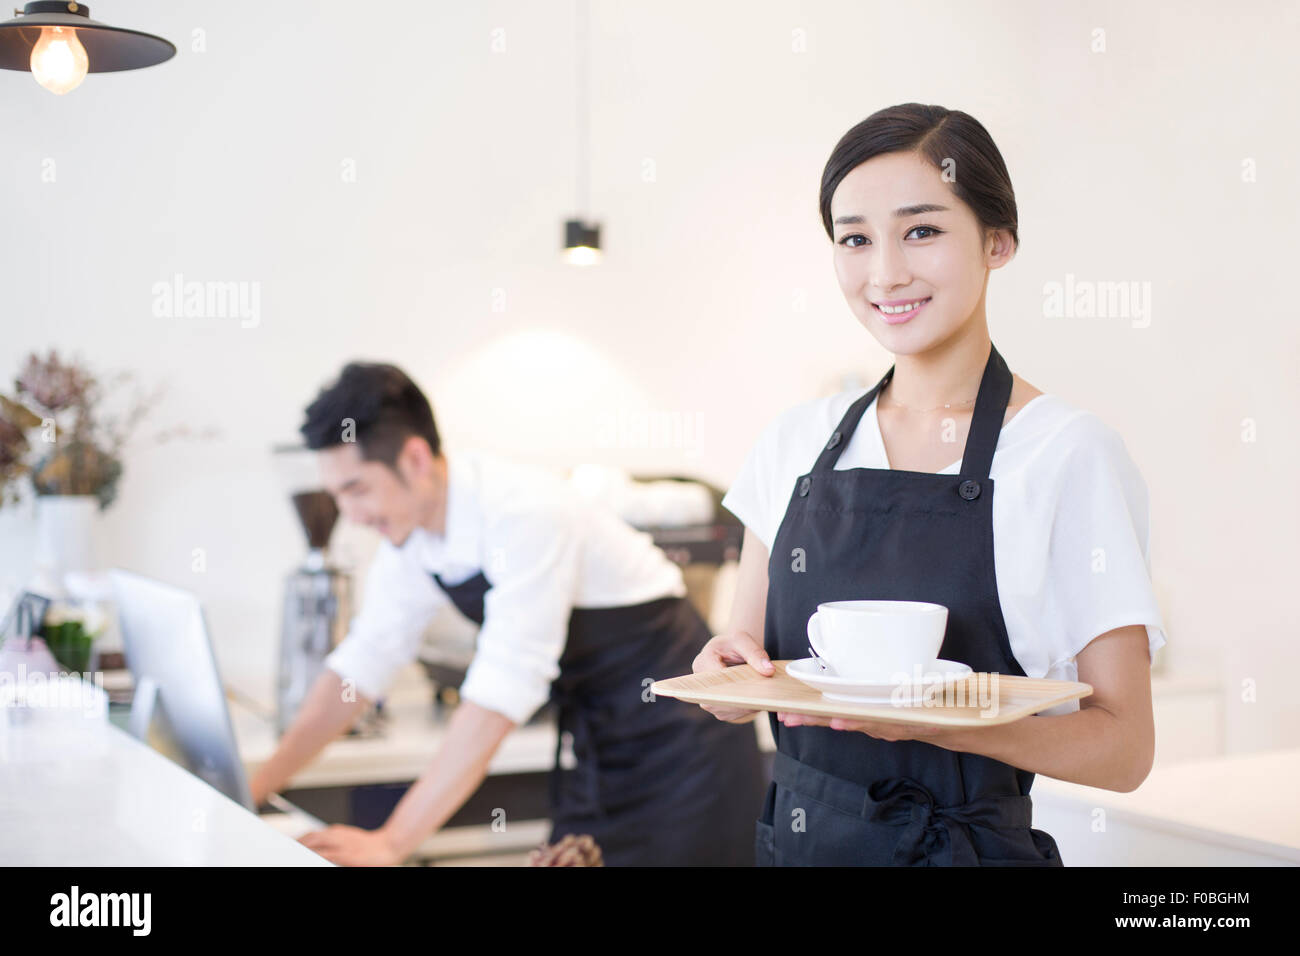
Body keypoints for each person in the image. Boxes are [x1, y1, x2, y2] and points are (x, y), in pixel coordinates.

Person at [693, 103, 1167, 866]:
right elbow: (746, 671)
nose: (886, 273)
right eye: (855, 239)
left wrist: (932, 723)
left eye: (922, 230)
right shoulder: (794, 441)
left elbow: (1125, 747)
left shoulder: (1066, 454)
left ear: (997, 240)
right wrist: (724, 671)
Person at [251, 362, 764, 865]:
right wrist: (256, 784)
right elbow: (362, 663)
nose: (351, 517)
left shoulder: (522, 510)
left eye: (356, 489)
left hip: (685, 749)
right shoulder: (412, 536)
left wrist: (391, 842)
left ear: (413, 458)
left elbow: (503, 685)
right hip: (599, 746)